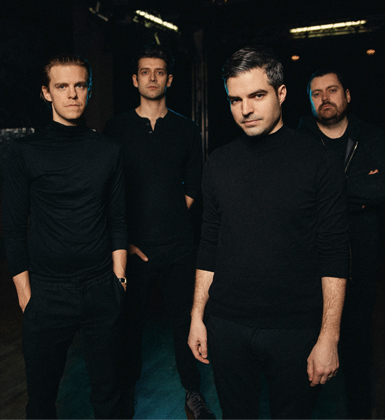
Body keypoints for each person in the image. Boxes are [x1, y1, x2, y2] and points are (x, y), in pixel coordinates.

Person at [187, 46, 350, 419]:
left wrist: (329, 337)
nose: (245, 109)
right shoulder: (219, 163)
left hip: (294, 328)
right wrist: (197, 316)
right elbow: (209, 245)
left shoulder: (319, 161)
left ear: (281, 93)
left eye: (257, 95)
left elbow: (334, 253)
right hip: (227, 324)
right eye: (235, 100)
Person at [2, 53, 127, 419]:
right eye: (62, 86)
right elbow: (13, 228)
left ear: (88, 90)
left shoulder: (109, 150)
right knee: (41, 401)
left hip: (101, 288)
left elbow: (118, 219)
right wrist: (26, 296)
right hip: (47, 294)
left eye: (79, 85)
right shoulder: (25, 153)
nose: (72, 94)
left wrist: (119, 279)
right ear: (47, 93)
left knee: (109, 396)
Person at [103, 44, 213, 419]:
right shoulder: (116, 129)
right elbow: (109, 189)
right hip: (135, 249)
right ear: (135, 80)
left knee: (186, 323)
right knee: (129, 325)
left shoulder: (186, 128)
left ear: (170, 79)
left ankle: (193, 394)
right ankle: (126, 393)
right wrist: (126, 240)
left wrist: (168, 216)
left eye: (160, 71)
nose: (152, 78)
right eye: (145, 72)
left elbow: (194, 185)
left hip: (179, 247)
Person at [298, 69, 385, 418]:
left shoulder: (371, 136)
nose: (325, 98)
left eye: (332, 90)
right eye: (316, 93)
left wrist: (327, 191)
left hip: (361, 263)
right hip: (310, 266)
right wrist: (357, 191)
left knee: (357, 344)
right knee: (308, 347)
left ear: (347, 95)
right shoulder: (299, 138)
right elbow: (297, 194)